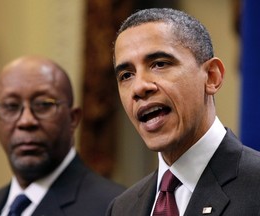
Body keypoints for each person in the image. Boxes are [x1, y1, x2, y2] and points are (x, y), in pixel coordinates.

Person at [106, 8, 260, 216]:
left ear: (212, 77)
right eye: (126, 75)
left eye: (159, 64)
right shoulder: (121, 208)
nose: (139, 87)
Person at [0, 56, 124, 216]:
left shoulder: (115, 208)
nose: (26, 121)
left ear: (73, 118)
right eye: (11, 106)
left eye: (44, 104)